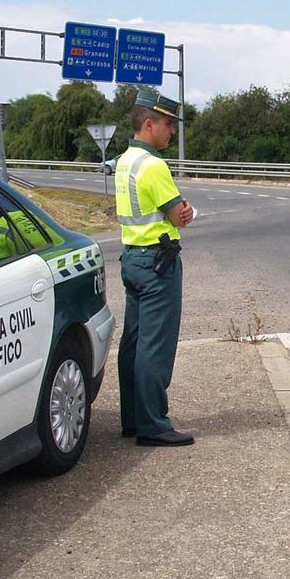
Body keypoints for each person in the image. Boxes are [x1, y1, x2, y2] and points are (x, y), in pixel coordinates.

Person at [115, 89, 196, 446]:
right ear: (148, 124)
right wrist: (183, 212)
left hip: (132, 258)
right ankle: (153, 425)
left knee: (133, 343)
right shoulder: (154, 165)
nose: (171, 131)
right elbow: (178, 216)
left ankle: (133, 419)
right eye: (167, 124)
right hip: (157, 261)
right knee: (155, 347)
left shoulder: (124, 161)